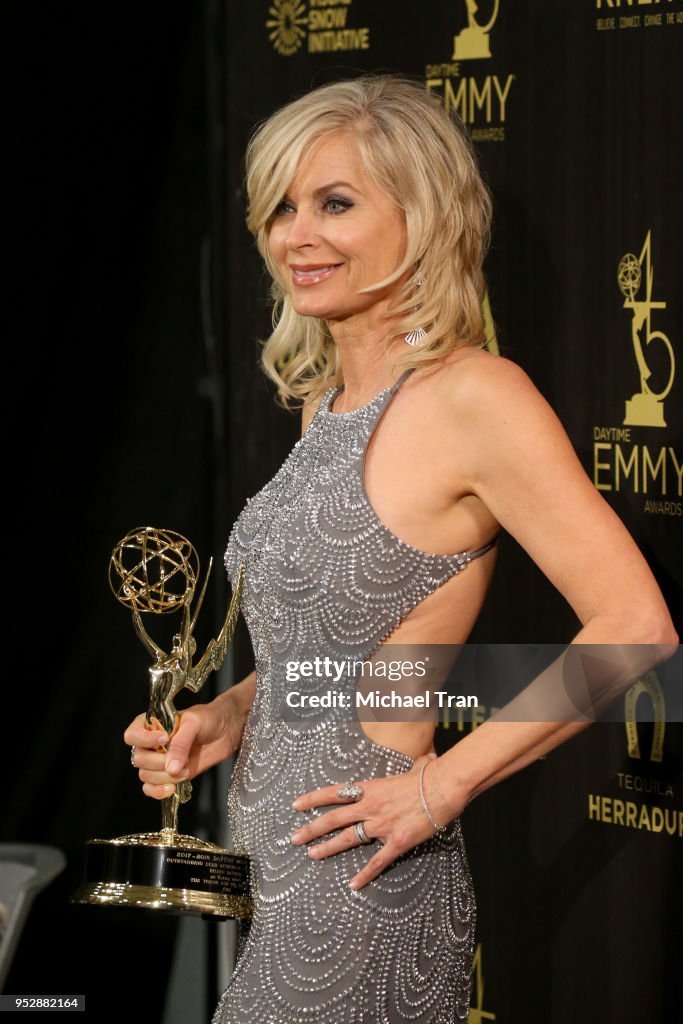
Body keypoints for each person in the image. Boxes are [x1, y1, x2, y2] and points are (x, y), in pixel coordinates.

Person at [124, 75, 677, 1023]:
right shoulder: (323, 403)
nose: (295, 235)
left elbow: (637, 630)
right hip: (279, 886)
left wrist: (439, 789)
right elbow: (355, 652)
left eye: (334, 203)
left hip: (362, 897)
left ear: (423, 217)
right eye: (281, 207)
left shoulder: (475, 398)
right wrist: (230, 713)